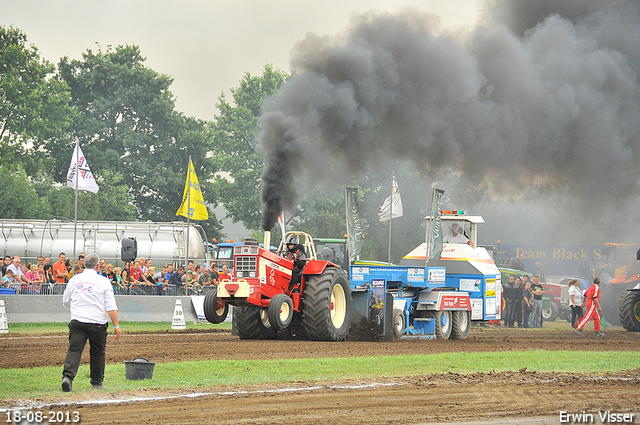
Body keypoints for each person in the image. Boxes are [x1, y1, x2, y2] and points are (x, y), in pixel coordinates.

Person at [61, 253, 121, 392]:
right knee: (98, 352)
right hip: (97, 323)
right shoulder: (104, 281)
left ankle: (68, 377)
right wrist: (116, 326)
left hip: (78, 322)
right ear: (98, 265)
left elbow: (65, 301)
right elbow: (111, 307)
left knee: (74, 350)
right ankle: (97, 382)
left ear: (84, 264)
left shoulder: (75, 280)